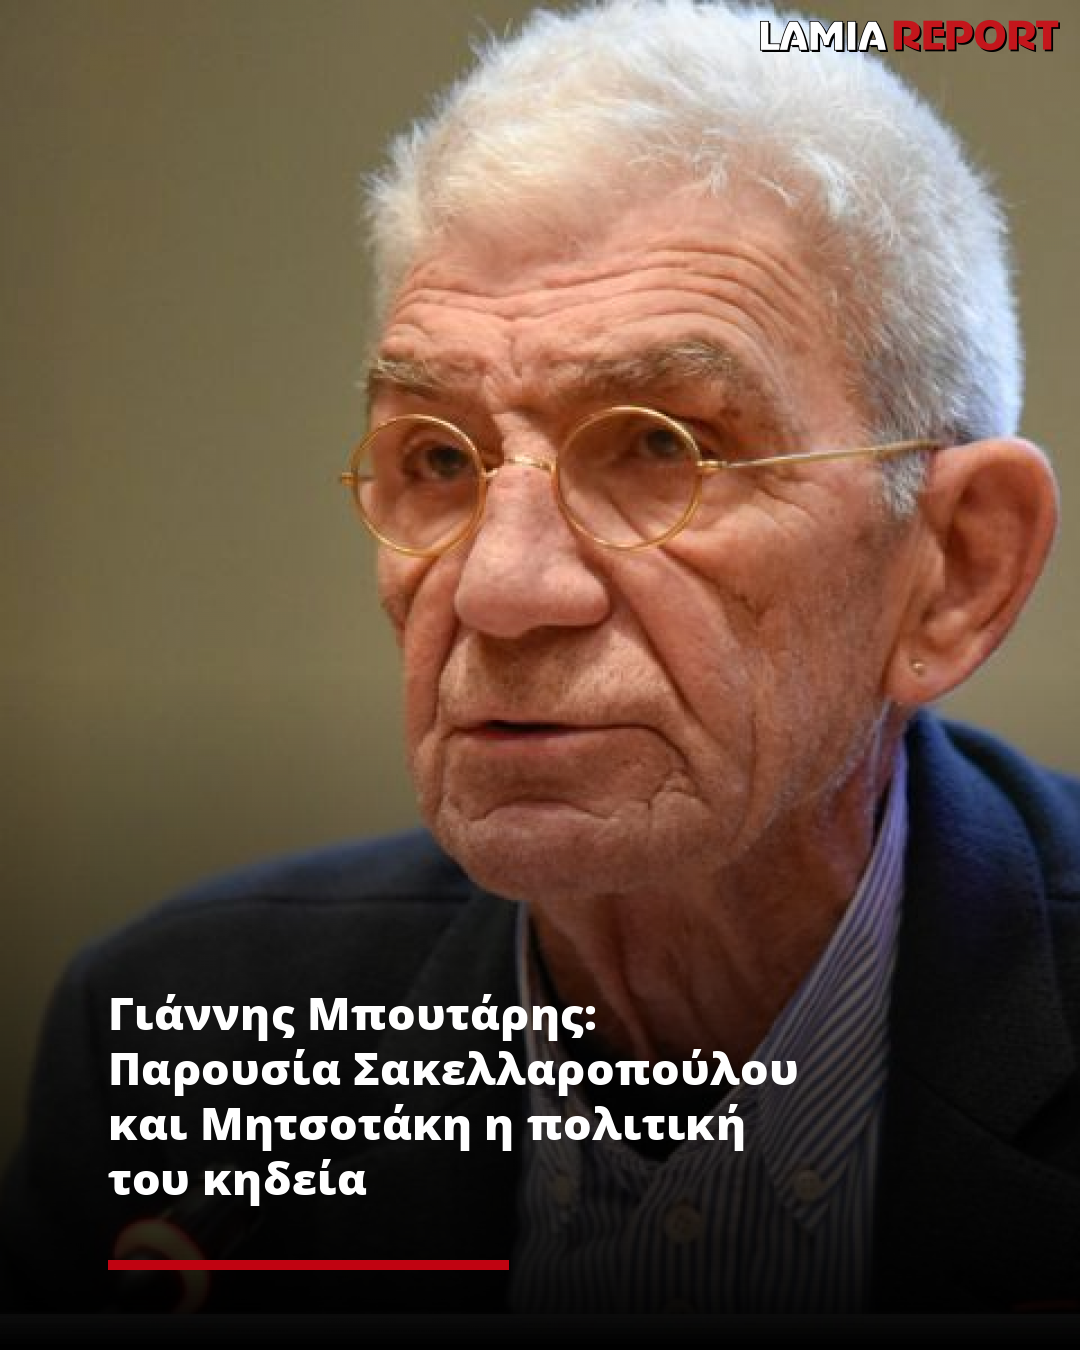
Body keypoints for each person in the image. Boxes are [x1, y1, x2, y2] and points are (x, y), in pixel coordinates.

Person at [2, 0, 1078, 1317]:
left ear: (956, 567)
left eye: (664, 448)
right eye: (437, 458)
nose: (501, 589)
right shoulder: (185, 1037)